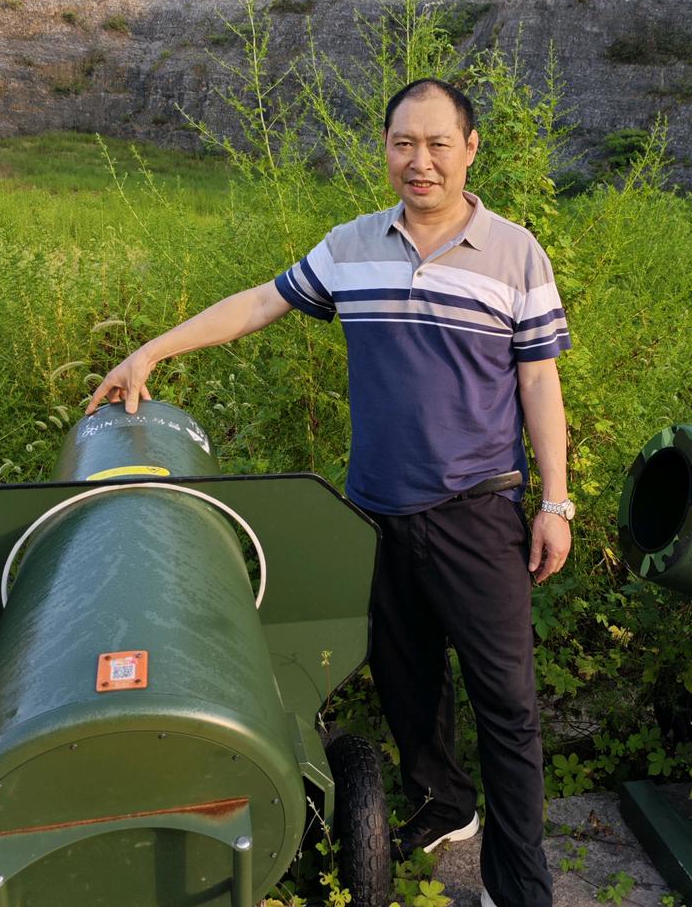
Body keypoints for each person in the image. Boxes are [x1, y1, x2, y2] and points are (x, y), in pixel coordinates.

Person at [86, 78, 572, 907]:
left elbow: (539, 385)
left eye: (437, 144)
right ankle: (447, 804)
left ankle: (519, 881)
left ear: (470, 147)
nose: (418, 162)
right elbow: (259, 303)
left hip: (477, 510)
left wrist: (555, 502)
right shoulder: (351, 247)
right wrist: (153, 352)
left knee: (507, 703)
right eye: (401, 144)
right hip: (373, 512)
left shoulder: (515, 253)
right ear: (385, 149)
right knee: (404, 674)